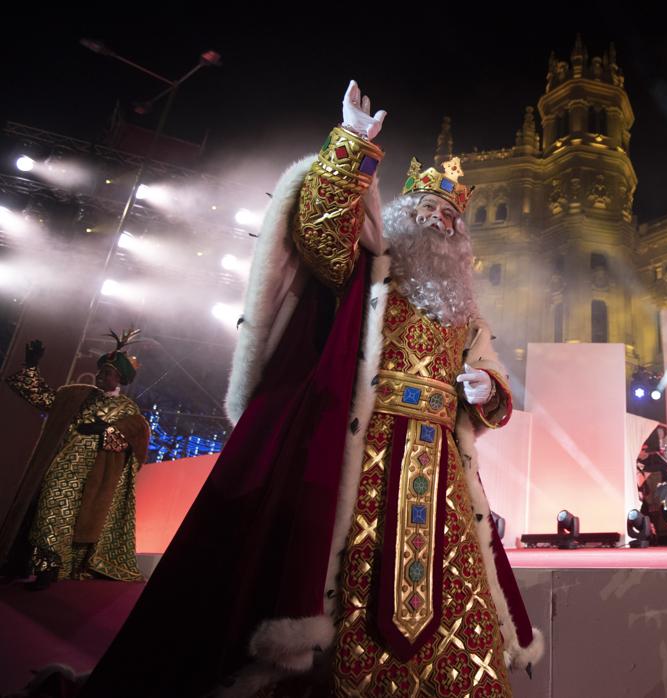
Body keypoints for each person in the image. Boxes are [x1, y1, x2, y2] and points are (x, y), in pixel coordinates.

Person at [83, 82, 540, 697]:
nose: (438, 223)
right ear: (403, 220)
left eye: (450, 220)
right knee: (350, 577)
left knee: (452, 585)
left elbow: (495, 392)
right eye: (427, 213)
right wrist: (350, 144)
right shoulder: (369, 272)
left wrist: (487, 390)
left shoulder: (468, 318)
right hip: (367, 450)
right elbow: (322, 235)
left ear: (461, 241)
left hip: (442, 466)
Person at [0, 329, 150, 590]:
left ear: (120, 378)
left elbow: (137, 438)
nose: (100, 375)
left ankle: (63, 567)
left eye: (107, 372)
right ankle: (46, 568)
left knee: (77, 522)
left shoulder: (127, 408)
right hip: (64, 465)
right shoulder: (77, 394)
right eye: (100, 370)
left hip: (96, 475)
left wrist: (108, 431)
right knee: (51, 508)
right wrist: (31, 366)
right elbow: (44, 397)